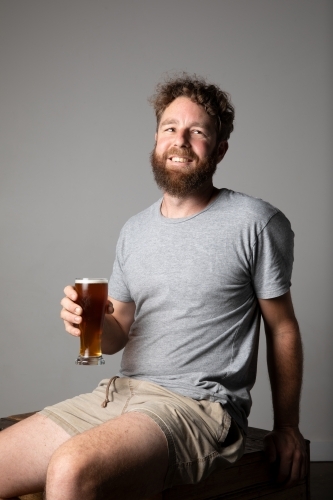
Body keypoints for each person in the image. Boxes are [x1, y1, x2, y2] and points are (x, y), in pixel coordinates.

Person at [0, 74, 307, 500]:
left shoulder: (256, 222)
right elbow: (114, 338)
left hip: (198, 407)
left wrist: (287, 427)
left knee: (71, 470)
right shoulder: (135, 230)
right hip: (118, 395)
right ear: (156, 140)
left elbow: (283, 327)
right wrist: (86, 322)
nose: (180, 140)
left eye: (196, 132)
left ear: (219, 150)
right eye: (170, 128)